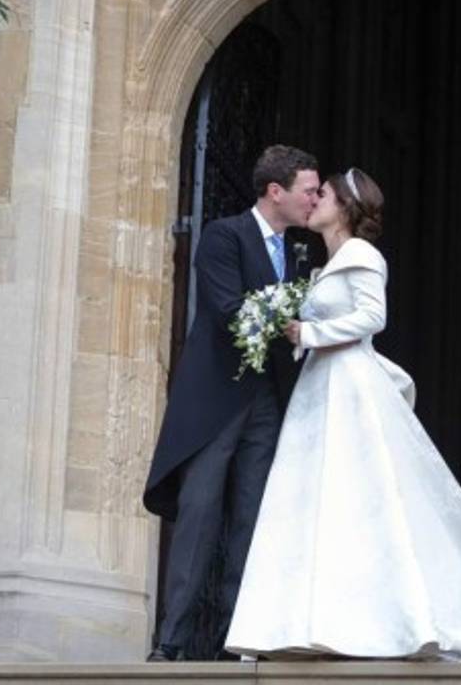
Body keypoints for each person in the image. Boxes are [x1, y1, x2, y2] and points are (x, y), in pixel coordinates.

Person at [223, 168, 461, 662]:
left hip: (347, 386)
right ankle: (310, 622)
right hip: (321, 387)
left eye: (324, 194)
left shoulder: (362, 255)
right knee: (320, 501)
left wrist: (308, 334)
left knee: (357, 497)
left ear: (344, 207)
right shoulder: (326, 265)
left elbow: (372, 317)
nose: (315, 200)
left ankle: (374, 623)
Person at [142, 145, 320, 661]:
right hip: (217, 401)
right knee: (198, 518)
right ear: (275, 191)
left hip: (267, 401)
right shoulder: (224, 235)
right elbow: (225, 309)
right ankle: (171, 641)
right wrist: (288, 313)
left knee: (254, 521)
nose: (314, 199)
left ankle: (235, 643)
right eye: (308, 190)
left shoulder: (301, 253)